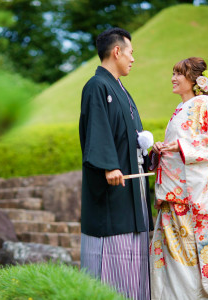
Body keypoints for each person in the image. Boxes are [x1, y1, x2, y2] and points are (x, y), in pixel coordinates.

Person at [149, 57, 208, 299]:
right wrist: (162, 149)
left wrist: (180, 146)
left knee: (188, 260)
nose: (173, 78)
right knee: (173, 261)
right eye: (173, 73)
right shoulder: (182, 108)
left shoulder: (204, 103)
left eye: (179, 73)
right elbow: (180, 148)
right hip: (174, 195)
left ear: (194, 80)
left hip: (190, 199)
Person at [79, 27, 154, 300]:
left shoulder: (121, 89)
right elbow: (97, 130)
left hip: (133, 187)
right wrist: (109, 165)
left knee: (136, 261)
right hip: (113, 187)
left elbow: (132, 137)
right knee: (114, 262)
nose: (133, 59)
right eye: (131, 53)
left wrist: (149, 152)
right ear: (117, 51)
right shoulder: (97, 86)